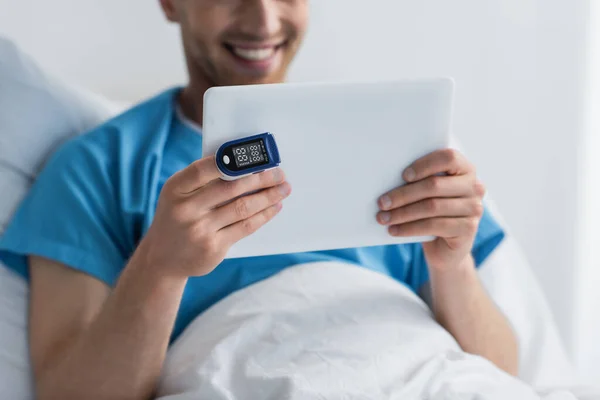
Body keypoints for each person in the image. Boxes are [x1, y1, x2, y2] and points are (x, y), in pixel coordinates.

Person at [0, 0, 517, 399]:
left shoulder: (395, 146)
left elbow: (503, 372)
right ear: (169, 2)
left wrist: (453, 267)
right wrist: (160, 267)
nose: (263, 21)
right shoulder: (96, 170)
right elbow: (72, 393)